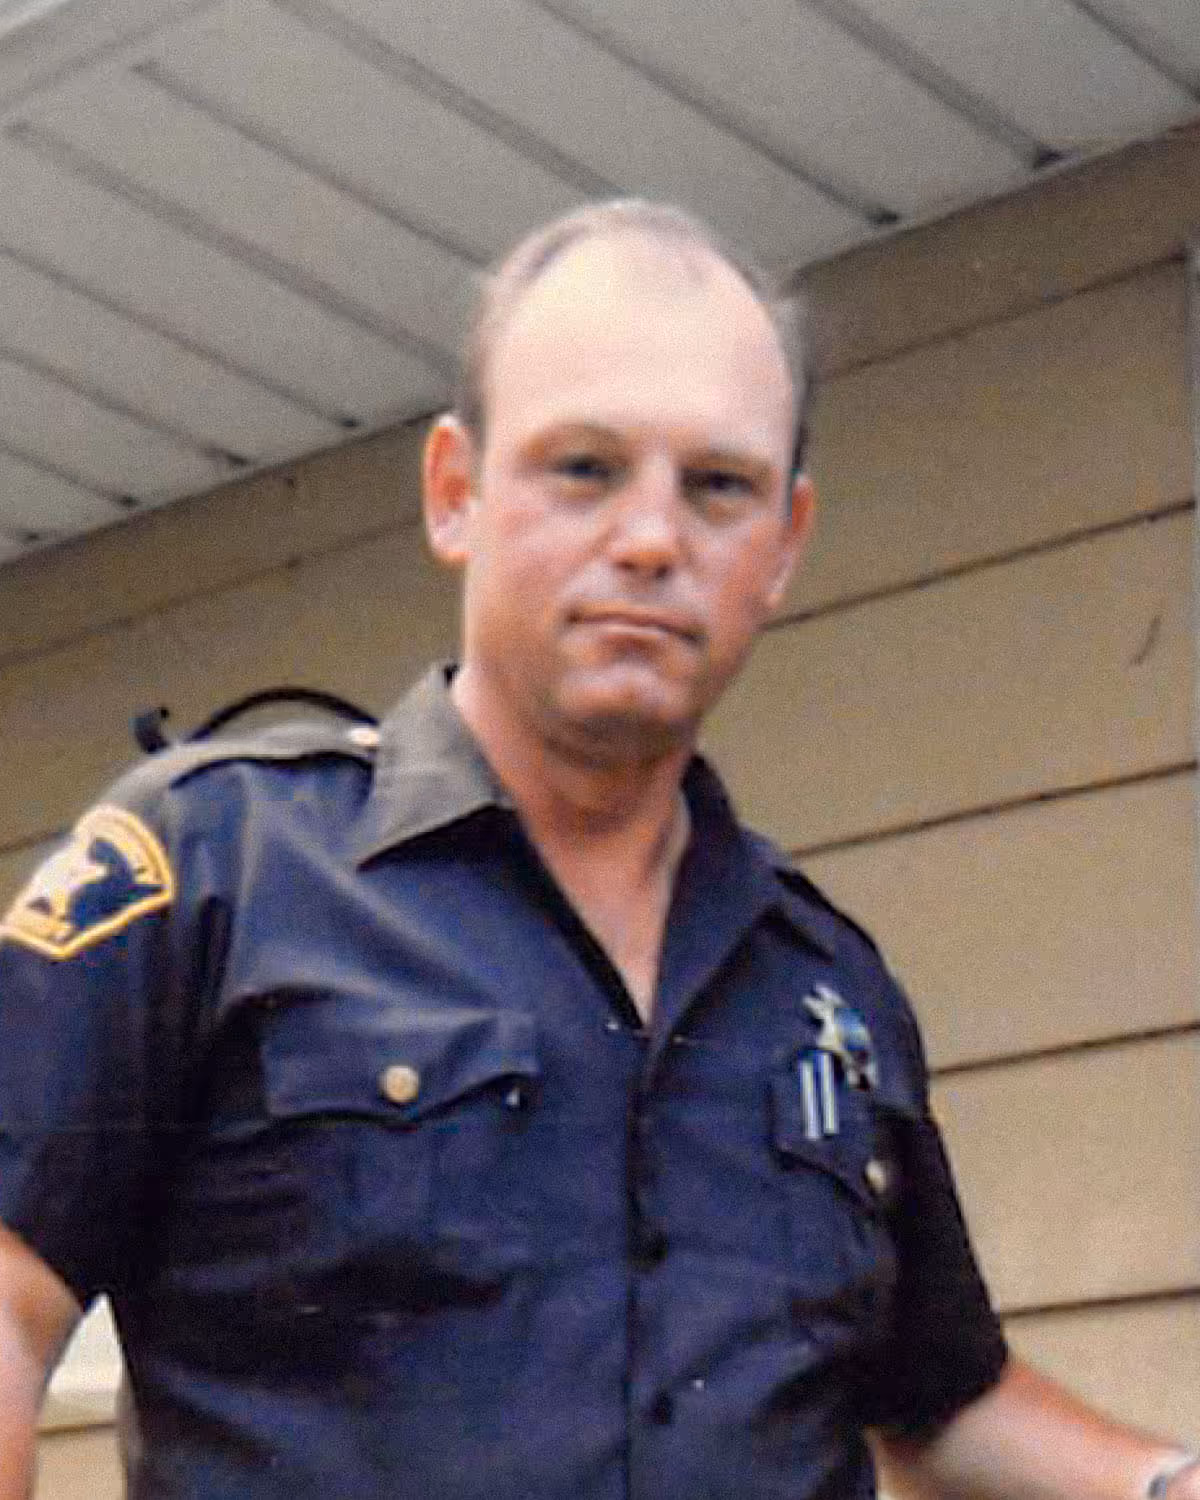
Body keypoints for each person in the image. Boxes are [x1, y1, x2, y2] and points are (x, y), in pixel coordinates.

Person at [0, 200, 1195, 1500]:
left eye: (719, 485)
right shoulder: (213, 871)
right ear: (455, 495)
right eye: (585, 467)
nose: (649, 538)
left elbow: (944, 1399)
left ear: (785, 546)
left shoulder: (830, 987)